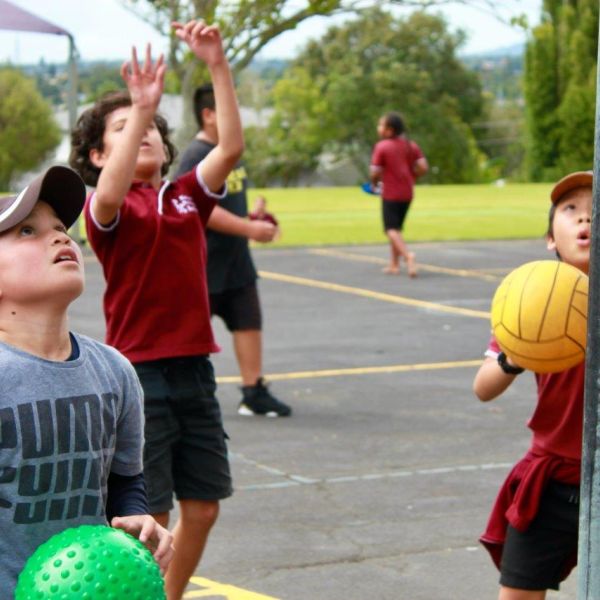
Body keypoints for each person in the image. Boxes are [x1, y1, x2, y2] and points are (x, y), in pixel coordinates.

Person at [69, 21, 243, 600]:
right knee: (153, 514)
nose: (139, 135)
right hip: (138, 376)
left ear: (168, 149)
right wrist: (142, 106)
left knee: (205, 506)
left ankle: (169, 594)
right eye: (120, 131)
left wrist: (216, 63)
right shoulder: (105, 207)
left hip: (194, 367)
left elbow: (232, 148)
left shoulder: (187, 196)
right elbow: (112, 193)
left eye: (146, 130)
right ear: (98, 155)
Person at [0, 165, 174, 597]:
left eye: (61, 227)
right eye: (27, 231)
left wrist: (135, 518)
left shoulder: (114, 371)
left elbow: (124, 481)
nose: (61, 237)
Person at [473, 171, 592, 600]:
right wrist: (513, 357)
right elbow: (483, 387)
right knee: (518, 594)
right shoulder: (532, 299)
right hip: (553, 481)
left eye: (595, 212)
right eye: (571, 210)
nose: (585, 221)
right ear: (550, 238)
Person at [175, 84, 292, 418]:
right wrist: (249, 228)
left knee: (248, 323)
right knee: (191, 336)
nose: (235, 115)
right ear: (208, 115)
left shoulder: (230, 151)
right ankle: (183, 398)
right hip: (203, 263)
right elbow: (200, 209)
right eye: (229, 109)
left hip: (236, 261)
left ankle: (253, 392)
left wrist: (253, 218)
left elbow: (226, 202)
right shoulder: (197, 155)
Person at [369, 111, 428, 277]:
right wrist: (412, 176)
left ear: (389, 130)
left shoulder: (382, 146)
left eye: (381, 125)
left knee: (390, 229)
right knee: (397, 228)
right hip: (407, 192)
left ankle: (407, 256)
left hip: (390, 193)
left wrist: (374, 185)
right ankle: (394, 264)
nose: (378, 128)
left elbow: (374, 171)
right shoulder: (410, 145)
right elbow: (423, 166)